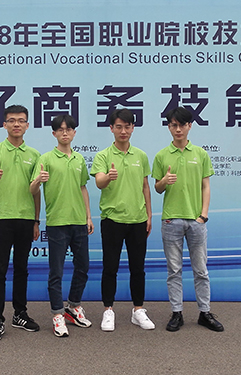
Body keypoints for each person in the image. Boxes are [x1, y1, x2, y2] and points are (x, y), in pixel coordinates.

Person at [152, 106, 224, 332]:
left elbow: (206, 186)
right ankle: (177, 313)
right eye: (173, 125)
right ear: (168, 127)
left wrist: (203, 215)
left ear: (190, 126)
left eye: (182, 125)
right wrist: (164, 181)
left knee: (201, 270)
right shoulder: (162, 155)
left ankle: (205, 312)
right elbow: (157, 188)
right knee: (174, 271)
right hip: (171, 220)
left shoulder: (200, 154)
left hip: (196, 220)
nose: (178, 129)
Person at [0, 104, 42, 342]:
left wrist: (36, 220)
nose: (17, 124)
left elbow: (36, 191)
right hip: (3, 218)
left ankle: (20, 314)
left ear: (27, 125)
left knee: (22, 269)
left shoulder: (34, 155)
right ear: (4, 124)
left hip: (26, 219)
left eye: (21, 120)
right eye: (12, 120)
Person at [90, 108, 155, 332]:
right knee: (110, 267)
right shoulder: (103, 156)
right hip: (112, 219)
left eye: (127, 126)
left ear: (133, 128)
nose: (123, 131)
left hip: (138, 219)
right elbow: (99, 181)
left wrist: (149, 214)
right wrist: (108, 177)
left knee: (138, 268)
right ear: (111, 128)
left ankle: (138, 310)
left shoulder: (141, 155)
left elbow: (145, 186)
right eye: (119, 127)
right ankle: (108, 310)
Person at [30, 115, 94, 338]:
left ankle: (73, 307)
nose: (64, 133)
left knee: (83, 267)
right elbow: (32, 190)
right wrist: (38, 180)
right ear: (54, 133)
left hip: (79, 222)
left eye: (69, 129)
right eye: (60, 129)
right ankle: (57, 314)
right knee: (56, 271)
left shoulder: (79, 159)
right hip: (57, 223)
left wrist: (88, 216)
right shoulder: (45, 159)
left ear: (74, 133)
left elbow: (83, 187)